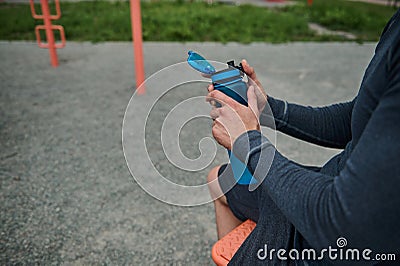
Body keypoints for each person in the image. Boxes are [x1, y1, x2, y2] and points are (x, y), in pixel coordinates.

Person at [206, 8, 400, 265]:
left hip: (336, 237)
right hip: (339, 189)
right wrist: (267, 108)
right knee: (218, 180)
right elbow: (358, 117)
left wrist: (248, 142)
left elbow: (344, 222)